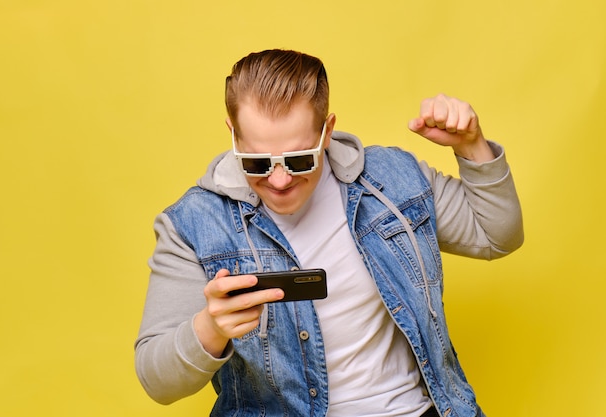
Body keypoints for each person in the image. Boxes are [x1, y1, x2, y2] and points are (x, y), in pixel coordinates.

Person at [134, 49, 523, 417]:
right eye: (257, 162)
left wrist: (472, 146)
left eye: (299, 159)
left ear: (327, 129)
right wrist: (210, 327)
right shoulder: (193, 225)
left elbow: (497, 235)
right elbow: (156, 380)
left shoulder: (393, 180)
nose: (280, 179)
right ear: (233, 134)